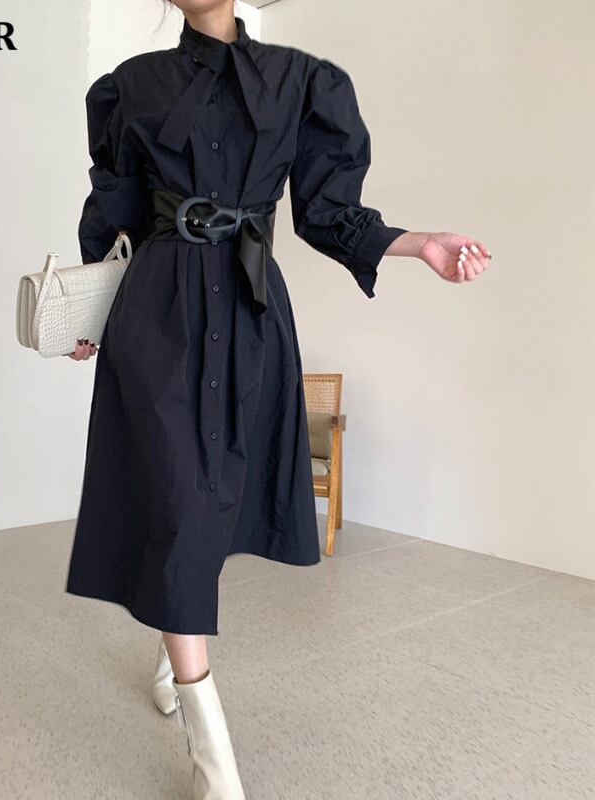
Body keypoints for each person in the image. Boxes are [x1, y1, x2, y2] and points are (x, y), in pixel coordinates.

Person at [64, 2, 492, 798]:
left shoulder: (302, 82)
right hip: (157, 314)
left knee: (216, 496)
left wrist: (416, 244)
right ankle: (212, 755)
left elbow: (328, 213)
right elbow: (113, 217)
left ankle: (170, 641)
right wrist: (87, 313)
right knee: (178, 498)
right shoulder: (130, 85)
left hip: (250, 311)